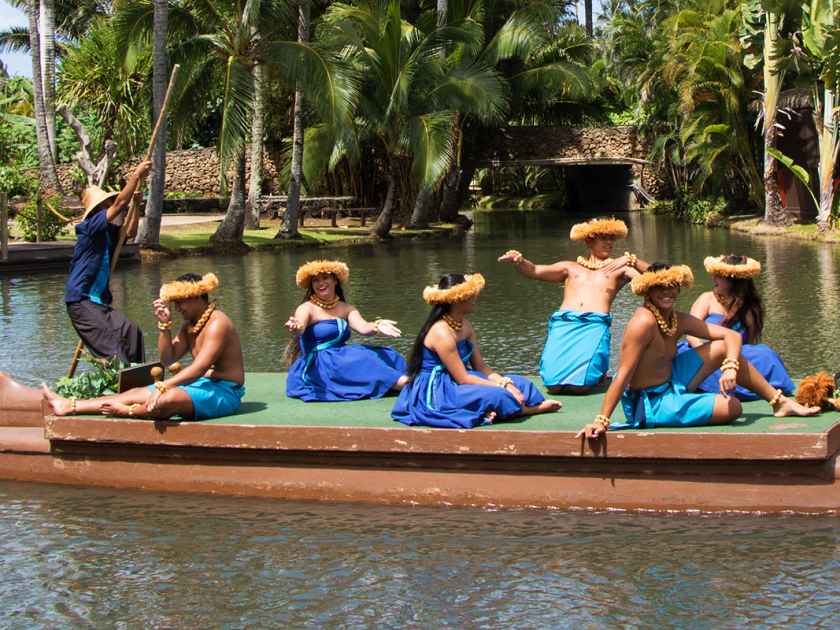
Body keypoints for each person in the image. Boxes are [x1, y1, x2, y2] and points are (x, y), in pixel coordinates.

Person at [576, 264, 819, 438]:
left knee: (724, 347)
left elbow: (731, 336)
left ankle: (779, 402)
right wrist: (602, 420)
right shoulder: (643, 322)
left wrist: (730, 367)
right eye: (660, 287)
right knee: (733, 407)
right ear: (647, 291)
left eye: (672, 286)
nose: (668, 292)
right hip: (651, 402)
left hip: (673, 379)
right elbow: (623, 374)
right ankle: (688, 403)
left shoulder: (675, 319)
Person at [44, 272, 246, 420]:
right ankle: (69, 405)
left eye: (180, 302)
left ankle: (130, 412)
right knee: (135, 393)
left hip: (225, 393)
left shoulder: (218, 323)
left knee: (167, 399)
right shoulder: (189, 326)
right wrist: (164, 325)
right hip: (203, 385)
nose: (177, 308)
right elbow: (168, 359)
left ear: (197, 297)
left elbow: (200, 367)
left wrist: (165, 385)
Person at [498, 217, 649, 394]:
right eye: (604, 238)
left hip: (593, 325)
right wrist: (520, 260)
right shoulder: (570, 267)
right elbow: (535, 270)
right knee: (552, 385)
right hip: (564, 325)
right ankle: (596, 372)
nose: (609, 243)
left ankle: (598, 372)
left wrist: (633, 261)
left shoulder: (620, 268)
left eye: (612, 239)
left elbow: (653, 279)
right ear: (589, 240)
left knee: (581, 387)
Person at [392, 273, 561, 428]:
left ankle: (503, 409)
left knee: (523, 383)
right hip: (440, 390)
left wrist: (506, 382)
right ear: (459, 299)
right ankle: (526, 410)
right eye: (471, 296)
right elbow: (464, 378)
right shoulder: (441, 332)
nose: (475, 298)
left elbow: (480, 367)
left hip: (459, 381)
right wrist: (503, 388)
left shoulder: (465, 325)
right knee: (498, 395)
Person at [64, 160, 152, 364]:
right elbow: (121, 203)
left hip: (99, 303)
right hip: (81, 301)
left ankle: (138, 379)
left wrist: (137, 207)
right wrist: (136, 175)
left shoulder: (106, 233)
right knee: (113, 348)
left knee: (131, 332)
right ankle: (121, 387)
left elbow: (128, 232)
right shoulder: (89, 227)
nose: (111, 207)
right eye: (106, 205)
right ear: (97, 210)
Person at [285, 260, 408, 401]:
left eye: (325, 278)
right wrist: (296, 327)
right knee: (362, 359)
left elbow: (363, 328)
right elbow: (300, 327)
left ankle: (404, 380)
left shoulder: (346, 308)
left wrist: (377, 325)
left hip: (340, 355)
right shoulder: (307, 308)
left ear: (335, 281)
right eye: (315, 280)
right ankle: (404, 384)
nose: (320, 283)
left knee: (386, 354)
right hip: (320, 363)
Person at [678, 254, 794, 400]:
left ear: (733, 280)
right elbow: (691, 334)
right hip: (703, 350)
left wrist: (732, 358)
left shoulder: (750, 308)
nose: (714, 279)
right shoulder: (706, 298)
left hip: (735, 355)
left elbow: (747, 344)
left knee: (765, 353)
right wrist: (708, 355)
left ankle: (760, 386)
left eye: (719, 276)